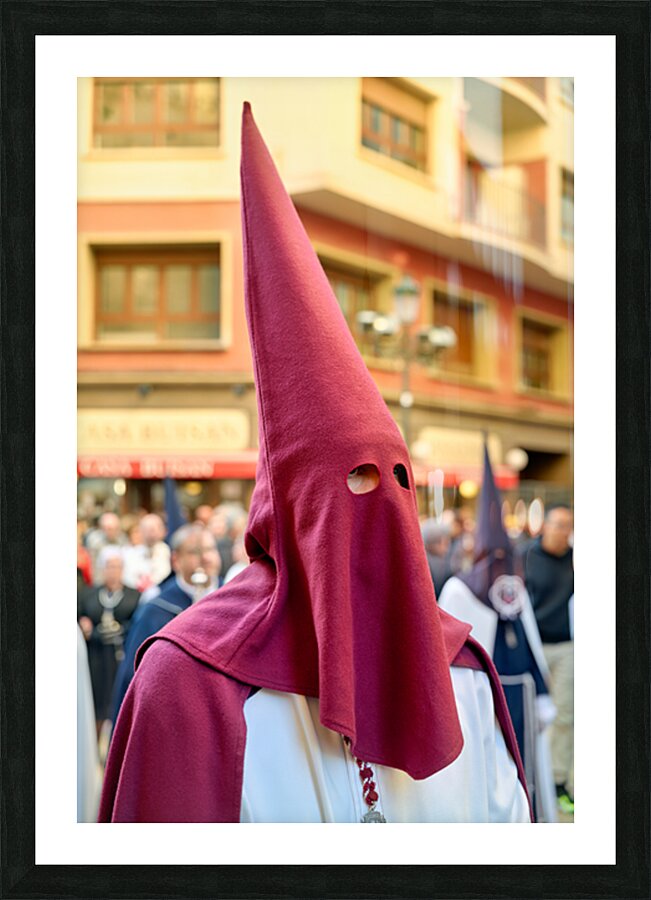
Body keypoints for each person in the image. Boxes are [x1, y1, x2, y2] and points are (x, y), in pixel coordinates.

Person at [99, 103, 531, 824]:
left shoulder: (463, 671)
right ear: (285, 509)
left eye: (397, 478)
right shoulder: (188, 683)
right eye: (352, 478)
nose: (380, 501)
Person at [437, 446, 558, 822]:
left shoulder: (513, 587)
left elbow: (527, 637)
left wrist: (539, 690)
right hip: (482, 698)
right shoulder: (460, 590)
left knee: (528, 778)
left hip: (519, 694)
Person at [110, 525, 221, 723]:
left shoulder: (232, 599)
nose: (205, 558)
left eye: (210, 549)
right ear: (176, 560)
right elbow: (133, 676)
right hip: (173, 715)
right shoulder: (158, 608)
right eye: (195, 552)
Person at [520, 504, 574, 814]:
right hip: (534, 644)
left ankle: (557, 781)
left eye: (568, 526)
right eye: (558, 524)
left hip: (567, 645)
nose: (563, 531)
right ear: (546, 526)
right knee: (532, 715)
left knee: (566, 715)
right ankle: (530, 777)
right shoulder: (526, 556)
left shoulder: (576, 559)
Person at [77, 548, 140, 732]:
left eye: (116, 566)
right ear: (102, 569)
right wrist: (85, 627)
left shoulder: (134, 595)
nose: (112, 571)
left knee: (117, 701)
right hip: (94, 657)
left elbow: (135, 624)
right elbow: (81, 617)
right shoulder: (88, 594)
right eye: (109, 566)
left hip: (119, 657)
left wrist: (117, 631)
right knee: (95, 705)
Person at [122, 513, 171, 592]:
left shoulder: (165, 550)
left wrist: (151, 584)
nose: (151, 534)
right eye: (147, 530)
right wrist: (140, 584)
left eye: (153, 529)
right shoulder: (130, 552)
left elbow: (165, 573)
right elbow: (127, 575)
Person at [86, 512, 128, 582]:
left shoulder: (123, 540)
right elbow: (92, 565)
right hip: (99, 579)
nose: (110, 532)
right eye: (106, 529)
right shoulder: (94, 541)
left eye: (113, 529)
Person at [420, 518, 452, 597]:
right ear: (434, 542)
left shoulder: (423, 560)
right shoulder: (438, 566)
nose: (447, 549)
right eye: (445, 543)